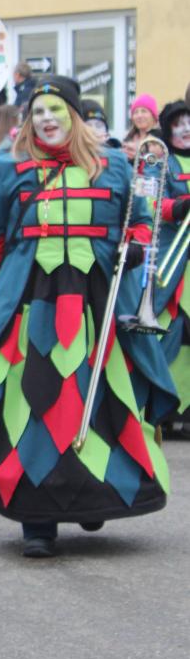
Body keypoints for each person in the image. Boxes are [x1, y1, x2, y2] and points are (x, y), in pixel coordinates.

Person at [0, 76, 175, 558]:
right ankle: (38, 519)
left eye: (57, 109)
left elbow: (138, 219)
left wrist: (134, 245)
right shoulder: (11, 169)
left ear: (74, 115)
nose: (47, 119)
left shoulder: (113, 164)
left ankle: (97, 495)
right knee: (33, 405)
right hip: (34, 306)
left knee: (106, 403)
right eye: (39, 111)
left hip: (97, 304)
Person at [153, 100, 190, 438]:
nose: (186, 129)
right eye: (179, 123)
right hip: (174, 261)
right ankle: (165, 407)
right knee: (171, 330)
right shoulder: (161, 160)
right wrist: (177, 207)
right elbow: (148, 200)